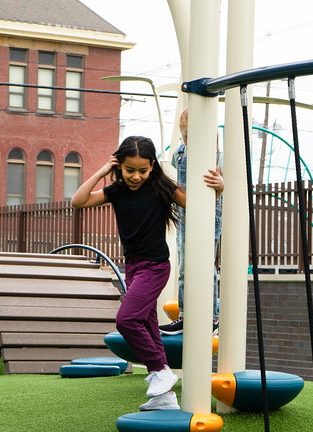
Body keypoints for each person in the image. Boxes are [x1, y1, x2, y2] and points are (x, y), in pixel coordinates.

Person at [72, 135, 224, 411]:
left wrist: (219, 188)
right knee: (149, 327)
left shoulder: (161, 189)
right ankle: (164, 399)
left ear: (152, 166)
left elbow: (199, 205)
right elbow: (78, 201)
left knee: (127, 320)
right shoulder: (116, 191)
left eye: (143, 170)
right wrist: (103, 172)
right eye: (130, 170)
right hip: (133, 267)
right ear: (120, 166)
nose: (136, 176)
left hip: (154, 267)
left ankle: (160, 370)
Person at [158, 107, 224, 335]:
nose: (188, 140)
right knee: (185, 264)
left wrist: (220, 184)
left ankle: (213, 317)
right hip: (185, 211)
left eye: (193, 135)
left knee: (206, 263)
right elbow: (177, 171)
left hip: (209, 210)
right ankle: (185, 315)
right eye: (185, 135)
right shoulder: (180, 153)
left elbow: (222, 180)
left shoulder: (216, 154)